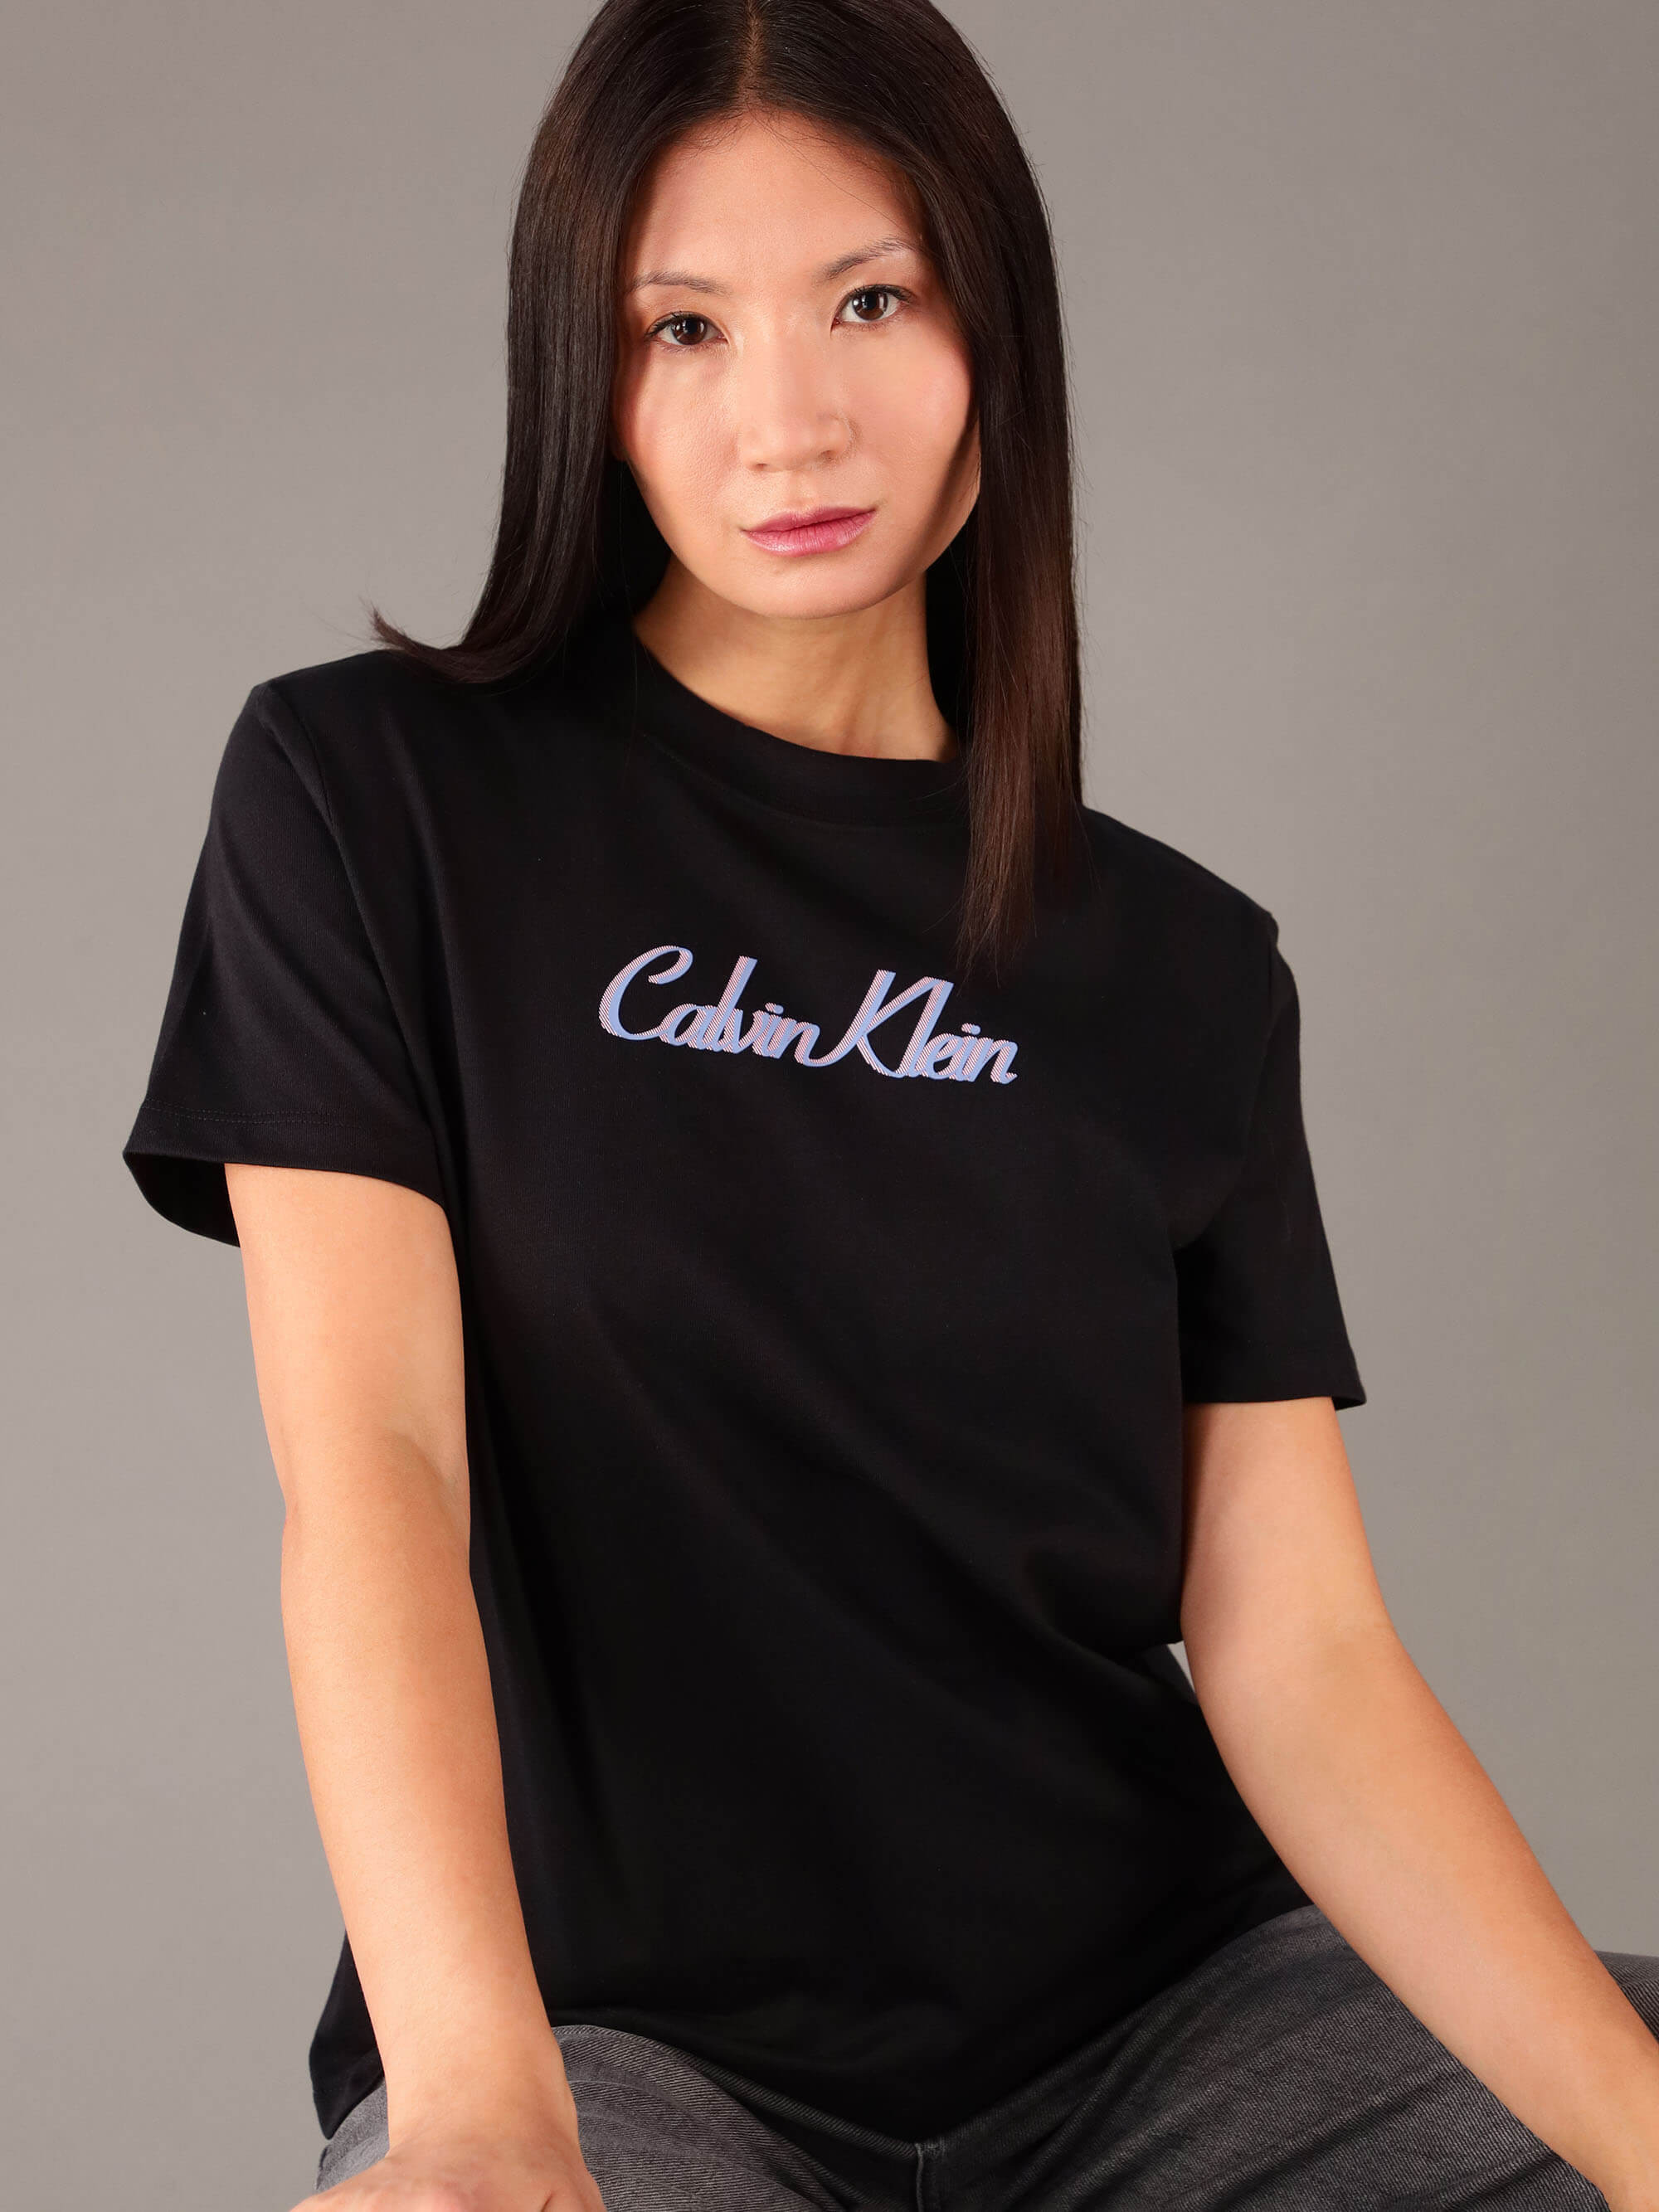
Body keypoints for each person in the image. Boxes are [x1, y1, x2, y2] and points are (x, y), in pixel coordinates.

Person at [124, 2, 1659, 2207]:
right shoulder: (375, 805)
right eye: (684, 329)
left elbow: (1299, 1650)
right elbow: (376, 1466)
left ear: (991, 331)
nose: (792, 419)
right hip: (622, 2046)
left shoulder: (1185, 969)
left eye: (870, 299)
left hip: (1167, 2031)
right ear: (587, 381)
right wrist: (475, 2096)